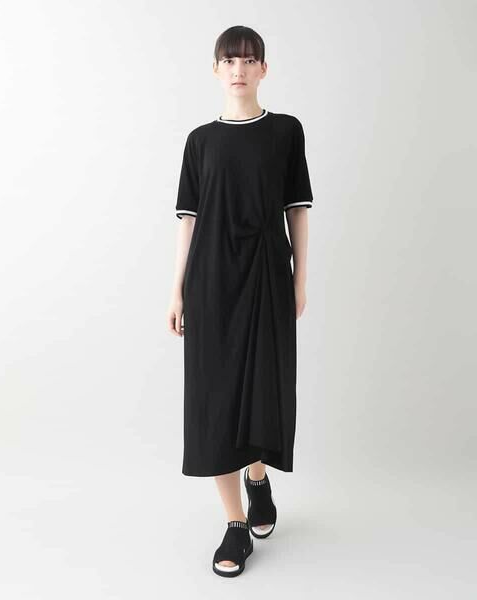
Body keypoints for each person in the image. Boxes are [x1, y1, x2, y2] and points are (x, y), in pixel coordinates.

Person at [167, 25, 313, 577]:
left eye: (249, 61)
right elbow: (188, 220)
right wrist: (176, 289)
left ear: (263, 70)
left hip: (267, 275)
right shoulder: (199, 141)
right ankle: (234, 524)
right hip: (210, 281)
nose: (238, 70)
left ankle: (258, 478)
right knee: (214, 400)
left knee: (260, 391)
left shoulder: (286, 132)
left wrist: (299, 279)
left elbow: (297, 209)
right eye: (229, 61)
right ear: (215, 69)